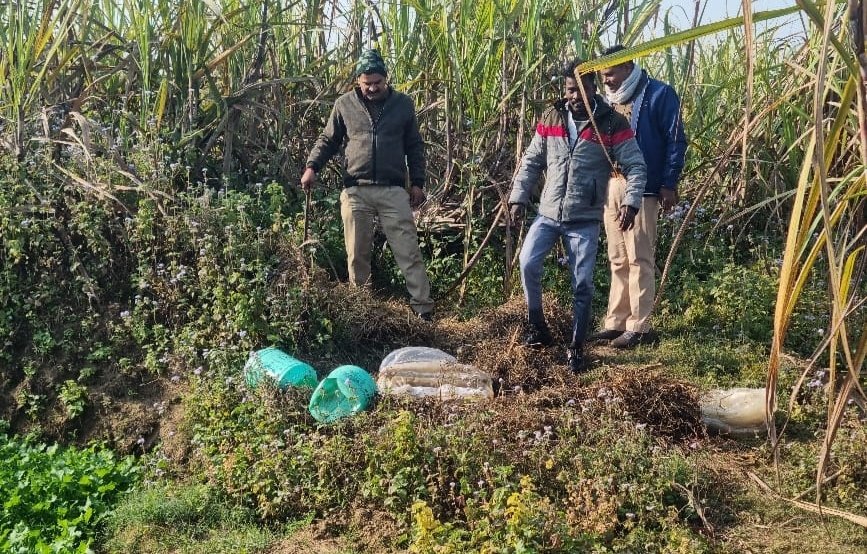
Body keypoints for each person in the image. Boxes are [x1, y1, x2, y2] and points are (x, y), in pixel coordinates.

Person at [508, 58, 646, 373]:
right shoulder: (552, 117)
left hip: (583, 219)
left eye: (580, 91)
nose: (573, 97)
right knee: (527, 262)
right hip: (548, 214)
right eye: (570, 90)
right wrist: (518, 197)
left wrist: (631, 202)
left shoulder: (611, 124)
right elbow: (532, 160)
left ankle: (576, 347)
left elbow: (636, 165)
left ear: (593, 88)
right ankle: (537, 326)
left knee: (582, 283)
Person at [301, 49, 434, 320]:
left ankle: (423, 309)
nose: (373, 88)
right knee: (356, 254)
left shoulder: (403, 105)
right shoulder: (344, 105)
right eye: (367, 83)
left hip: (393, 190)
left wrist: (418, 183)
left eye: (377, 82)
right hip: (356, 191)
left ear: (386, 79)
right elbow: (328, 140)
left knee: (408, 251)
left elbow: (414, 146)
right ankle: (361, 310)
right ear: (358, 81)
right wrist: (312, 167)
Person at [590, 45, 688, 349]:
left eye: (610, 74)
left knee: (639, 257)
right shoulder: (608, 102)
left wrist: (669, 182)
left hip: (643, 186)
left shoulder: (659, 94)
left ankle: (640, 326)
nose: (606, 81)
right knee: (617, 257)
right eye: (602, 76)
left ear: (627, 67)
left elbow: (675, 140)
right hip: (612, 184)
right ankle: (616, 322)